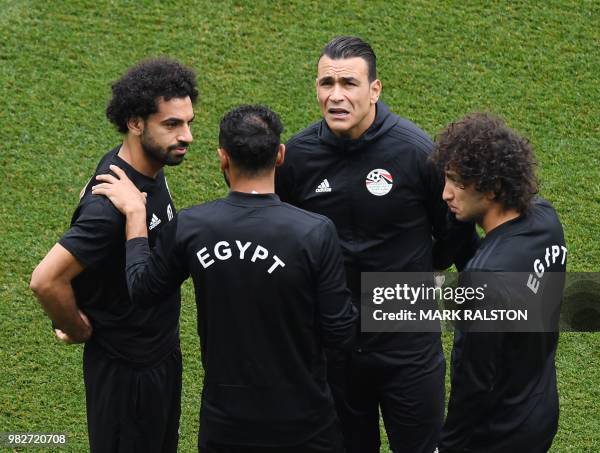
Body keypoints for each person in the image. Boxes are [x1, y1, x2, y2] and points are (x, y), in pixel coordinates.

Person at [91, 104, 358, 452]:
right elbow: (340, 334)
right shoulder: (314, 232)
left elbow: (141, 289)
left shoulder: (193, 227)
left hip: (226, 425)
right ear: (279, 155)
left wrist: (136, 214)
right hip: (304, 423)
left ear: (222, 158)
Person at [275, 36, 478, 453]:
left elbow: (458, 237)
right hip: (334, 347)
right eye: (325, 84)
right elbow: (278, 236)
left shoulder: (417, 153)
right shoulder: (296, 158)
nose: (335, 96)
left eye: (348, 84)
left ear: (375, 89)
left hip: (407, 344)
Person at [29, 58, 198, 453]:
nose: (187, 135)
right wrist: (78, 329)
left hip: (158, 354)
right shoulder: (110, 210)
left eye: (188, 122)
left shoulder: (147, 168)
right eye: (172, 124)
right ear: (136, 123)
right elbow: (45, 280)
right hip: (128, 372)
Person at [432, 112, 567, 452]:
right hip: (540, 406)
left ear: (491, 188)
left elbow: (473, 383)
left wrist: (447, 447)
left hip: (499, 435)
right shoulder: (546, 218)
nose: (446, 194)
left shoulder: (484, 281)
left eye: (458, 183)